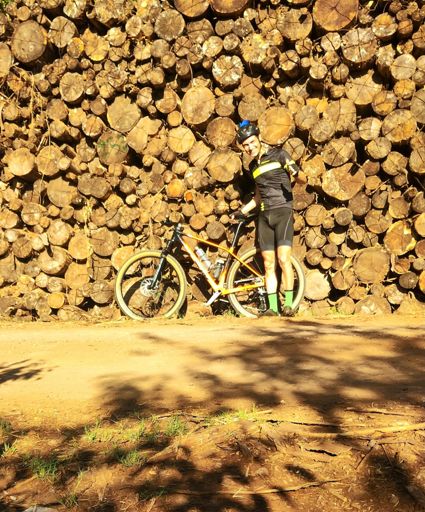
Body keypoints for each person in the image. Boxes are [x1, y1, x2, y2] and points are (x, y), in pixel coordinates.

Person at [232, 120, 306, 317]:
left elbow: (303, 179)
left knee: (283, 259)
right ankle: (273, 308)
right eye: (245, 145)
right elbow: (258, 197)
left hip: (283, 211)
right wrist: (242, 211)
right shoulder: (253, 166)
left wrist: (297, 174)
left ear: (259, 138)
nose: (249, 147)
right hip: (264, 216)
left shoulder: (279, 155)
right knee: (268, 264)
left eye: (252, 142)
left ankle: (288, 305)